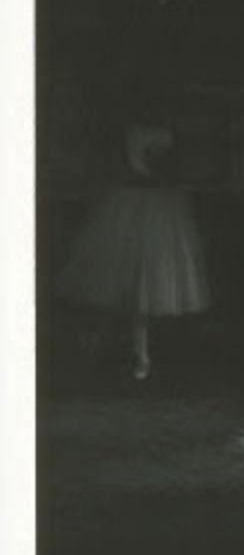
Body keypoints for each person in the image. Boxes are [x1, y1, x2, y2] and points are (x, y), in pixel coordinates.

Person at [56, 122, 211, 381]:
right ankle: (130, 350)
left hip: (157, 206)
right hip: (135, 204)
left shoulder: (166, 131)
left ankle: (142, 352)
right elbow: (132, 167)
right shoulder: (132, 131)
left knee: (151, 281)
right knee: (125, 280)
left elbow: (167, 169)